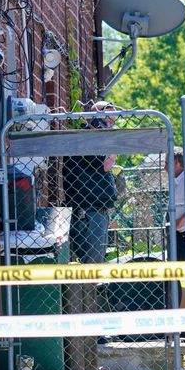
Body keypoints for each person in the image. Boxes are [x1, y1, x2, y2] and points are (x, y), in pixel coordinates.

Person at [62, 100, 117, 263]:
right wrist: (114, 140)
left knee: (95, 262)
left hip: (95, 211)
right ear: (95, 118)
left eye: (113, 118)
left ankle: (90, 288)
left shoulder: (92, 138)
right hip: (88, 213)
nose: (111, 122)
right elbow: (106, 164)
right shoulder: (86, 138)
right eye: (108, 117)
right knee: (92, 264)